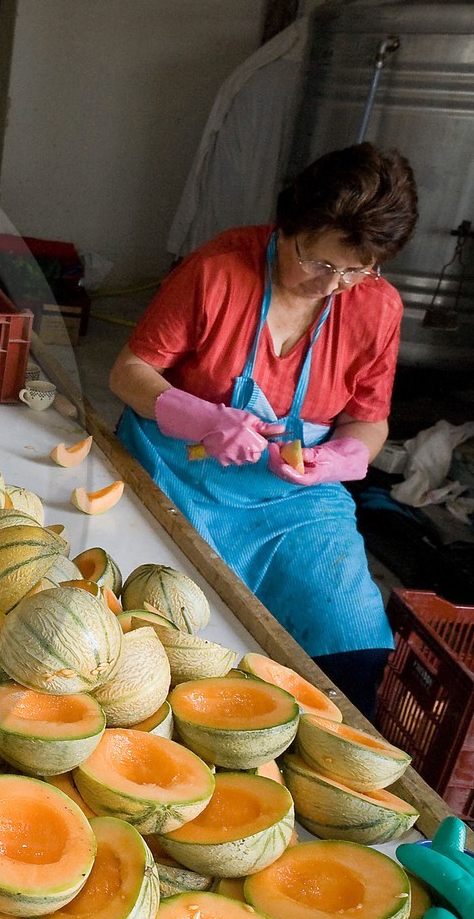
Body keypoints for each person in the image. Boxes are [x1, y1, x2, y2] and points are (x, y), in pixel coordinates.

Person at [110, 143, 418, 720]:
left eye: (356, 270)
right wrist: (201, 417)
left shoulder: (377, 307)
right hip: (181, 472)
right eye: (317, 261)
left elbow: (369, 420)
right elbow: (128, 373)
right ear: (290, 225)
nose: (332, 284)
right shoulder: (217, 269)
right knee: (172, 644)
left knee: (353, 642)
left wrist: (343, 458)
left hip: (295, 498)